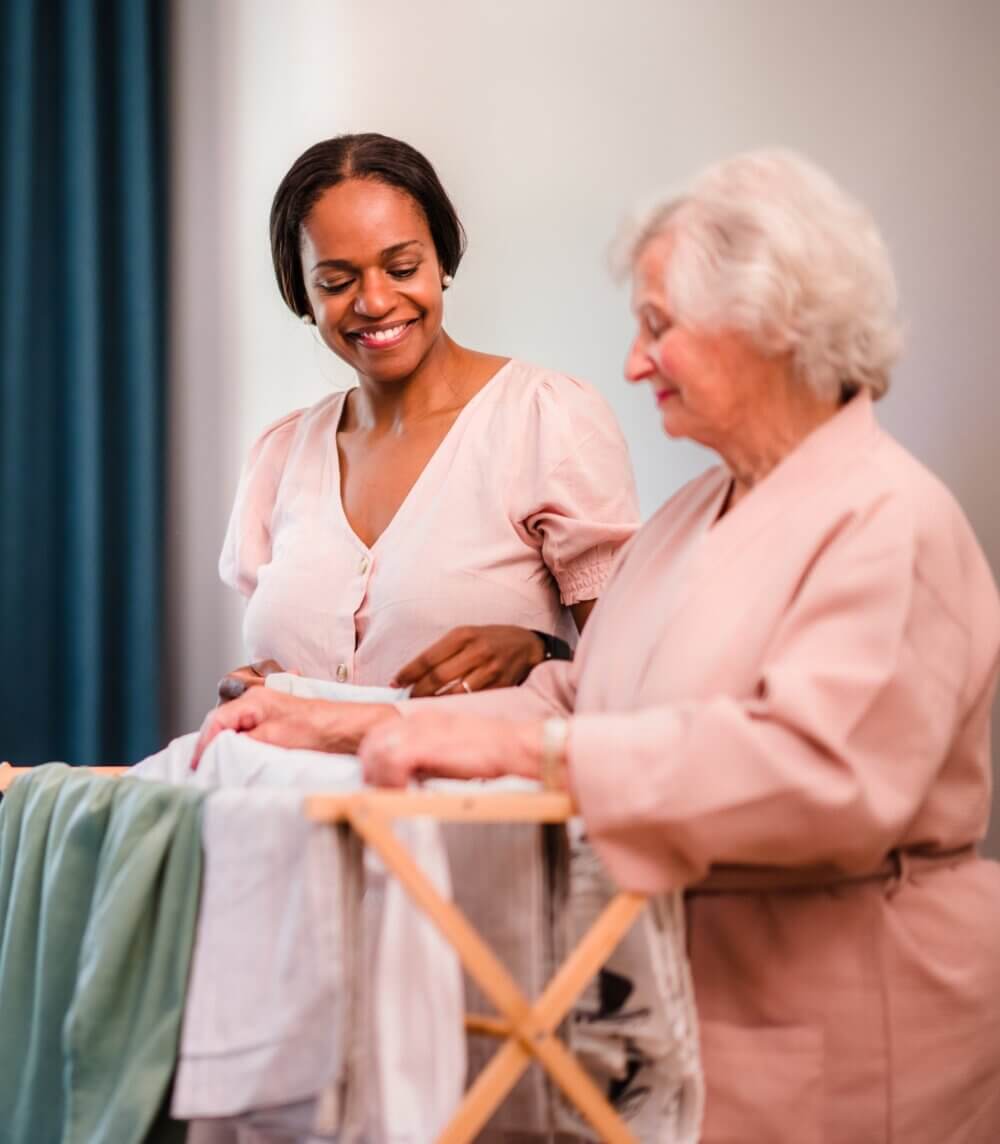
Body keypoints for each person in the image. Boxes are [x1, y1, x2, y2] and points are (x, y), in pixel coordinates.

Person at [196, 150, 1000, 1142]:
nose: (633, 361)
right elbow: (585, 697)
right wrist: (327, 720)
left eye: (659, 327)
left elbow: (817, 776)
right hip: (678, 1016)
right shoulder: (699, 511)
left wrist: (524, 753)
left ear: (775, 329)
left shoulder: (889, 518)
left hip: (847, 1028)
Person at [217, 133, 639, 714]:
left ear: (442, 260)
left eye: (402, 267)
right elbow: (273, 671)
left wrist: (543, 652)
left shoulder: (545, 421)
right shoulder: (280, 455)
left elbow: (637, 677)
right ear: (302, 294)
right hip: (289, 798)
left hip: (475, 803)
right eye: (336, 283)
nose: (374, 301)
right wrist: (259, 688)